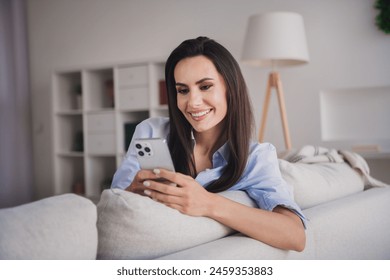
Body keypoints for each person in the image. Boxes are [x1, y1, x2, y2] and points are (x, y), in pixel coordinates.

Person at [111, 36, 306, 251]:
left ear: (229, 88)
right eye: (182, 90)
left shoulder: (255, 158)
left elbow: (295, 235)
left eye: (205, 86)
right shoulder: (151, 131)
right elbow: (112, 208)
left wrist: (207, 203)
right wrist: (132, 191)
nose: (193, 103)